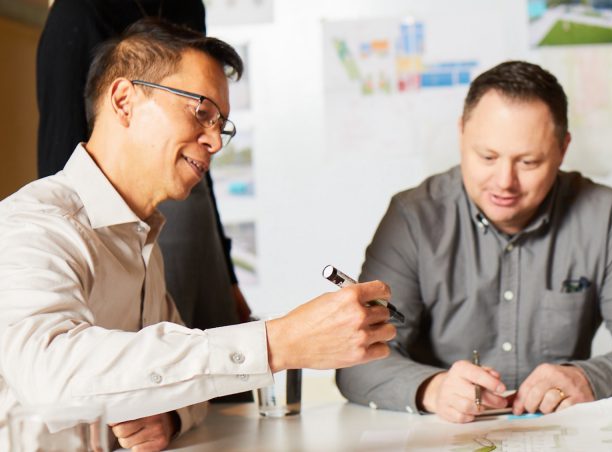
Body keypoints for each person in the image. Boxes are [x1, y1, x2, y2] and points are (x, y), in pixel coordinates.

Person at [0, 19, 396, 450]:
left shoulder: (142, 240)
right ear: (124, 100)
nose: (216, 142)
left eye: (221, 124)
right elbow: (50, 376)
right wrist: (278, 342)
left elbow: (183, 378)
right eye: (201, 112)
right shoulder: (32, 224)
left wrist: (168, 417)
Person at [336, 61, 612, 423]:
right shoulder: (412, 218)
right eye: (487, 157)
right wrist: (434, 388)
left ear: (563, 149)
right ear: (461, 135)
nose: (504, 181)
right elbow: (358, 359)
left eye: (528, 162)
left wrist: (588, 378)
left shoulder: (607, 216)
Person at [36, 0, 252, 331]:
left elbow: (198, 140)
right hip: (116, 219)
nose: (217, 142)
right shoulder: (78, 13)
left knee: (221, 354)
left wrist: (226, 274)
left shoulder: (189, 6)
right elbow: (58, 147)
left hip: (190, 206)